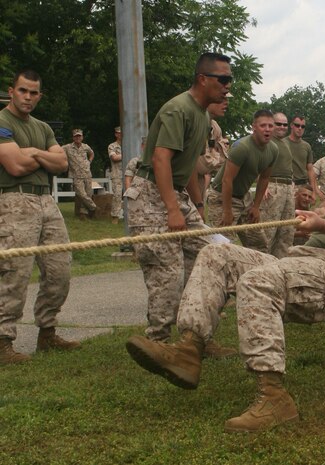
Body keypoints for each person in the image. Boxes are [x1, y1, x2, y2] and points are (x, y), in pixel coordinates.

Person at [125, 135, 325, 433]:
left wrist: (322, 224)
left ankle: (273, 397)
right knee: (216, 253)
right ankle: (189, 350)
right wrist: (310, 222)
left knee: (257, 280)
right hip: (302, 261)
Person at [124, 52, 232, 343]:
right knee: (167, 276)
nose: (227, 86)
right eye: (223, 79)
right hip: (152, 197)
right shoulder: (179, 109)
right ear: (202, 79)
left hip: (178, 195)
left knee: (212, 256)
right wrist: (172, 209)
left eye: (230, 80)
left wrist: (196, 207)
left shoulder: (202, 115)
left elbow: (193, 168)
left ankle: (194, 339)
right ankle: (157, 343)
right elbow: (160, 159)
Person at [0, 69, 80, 364]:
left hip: (46, 200)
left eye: (34, 93)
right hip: (13, 200)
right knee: (14, 272)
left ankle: (47, 333)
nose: (28, 97)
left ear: (39, 96)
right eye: (23, 91)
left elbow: (61, 163)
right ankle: (2, 342)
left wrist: (31, 152)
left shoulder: (43, 127)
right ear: (12, 91)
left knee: (60, 268)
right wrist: (39, 157)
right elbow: (15, 167)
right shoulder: (2, 121)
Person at [206, 109, 277, 252]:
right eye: (263, 126)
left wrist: (256, 206)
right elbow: (227, 180)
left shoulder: (273, 150)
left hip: (244, 198)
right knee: (222, 248)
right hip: (222, 197)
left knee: (259, 245)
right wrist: (227, 211)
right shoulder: (242, 147)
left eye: (270, 126)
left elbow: (264, 178)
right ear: (254, 127)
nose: (267, 129)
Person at [258, 112, 295, 257]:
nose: (282, 127)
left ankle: (280, 266)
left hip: (287, 188)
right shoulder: (266, 141)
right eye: (278, 124)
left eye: (285, 124)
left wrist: (291, 183)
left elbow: (287, 165)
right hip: (272, 186)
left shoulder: (285, 143)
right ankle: (262, 264)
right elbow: (256, 163)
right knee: (268, 232)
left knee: (286, 232)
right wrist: (264, 186)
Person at [196, 95, 230, 199]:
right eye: (221, 99)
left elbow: (222, 164)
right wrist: (217, 156)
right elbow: (203, 165)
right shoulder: (196, 122)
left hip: (199, 183)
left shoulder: (215, 127)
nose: (226, 103)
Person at [63, 128, 97, 219]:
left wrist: (89, 162)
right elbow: (58, 151)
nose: (78, 138)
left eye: (79, 136)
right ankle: (94, 208)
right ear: (73, 138)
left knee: (88, 193)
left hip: (87, 174)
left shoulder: (86, 147)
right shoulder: (67, 147)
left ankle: (83, 213)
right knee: (81, 194)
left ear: (82, 137)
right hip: (76, 175)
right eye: (76, 136)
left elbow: (92, 153)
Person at [285, 114, 317, 197]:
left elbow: (310, 169)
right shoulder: (282, 143)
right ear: (291, 125)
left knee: (303, 210)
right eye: (297, 125)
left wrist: (313, 191)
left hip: (304, 186)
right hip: (287, 186)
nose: (300, 128)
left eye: (303, 126)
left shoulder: (307, 146)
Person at [108, 126, 123, 224]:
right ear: (116, 134)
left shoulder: (129, 144)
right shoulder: (112, 146)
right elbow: (114, 158)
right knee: (117, 196)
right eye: (118, 133)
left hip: (130, 174)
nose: (120, 134)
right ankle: (115, 217)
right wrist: (128, 153)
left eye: (121, 133)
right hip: (117, 174)